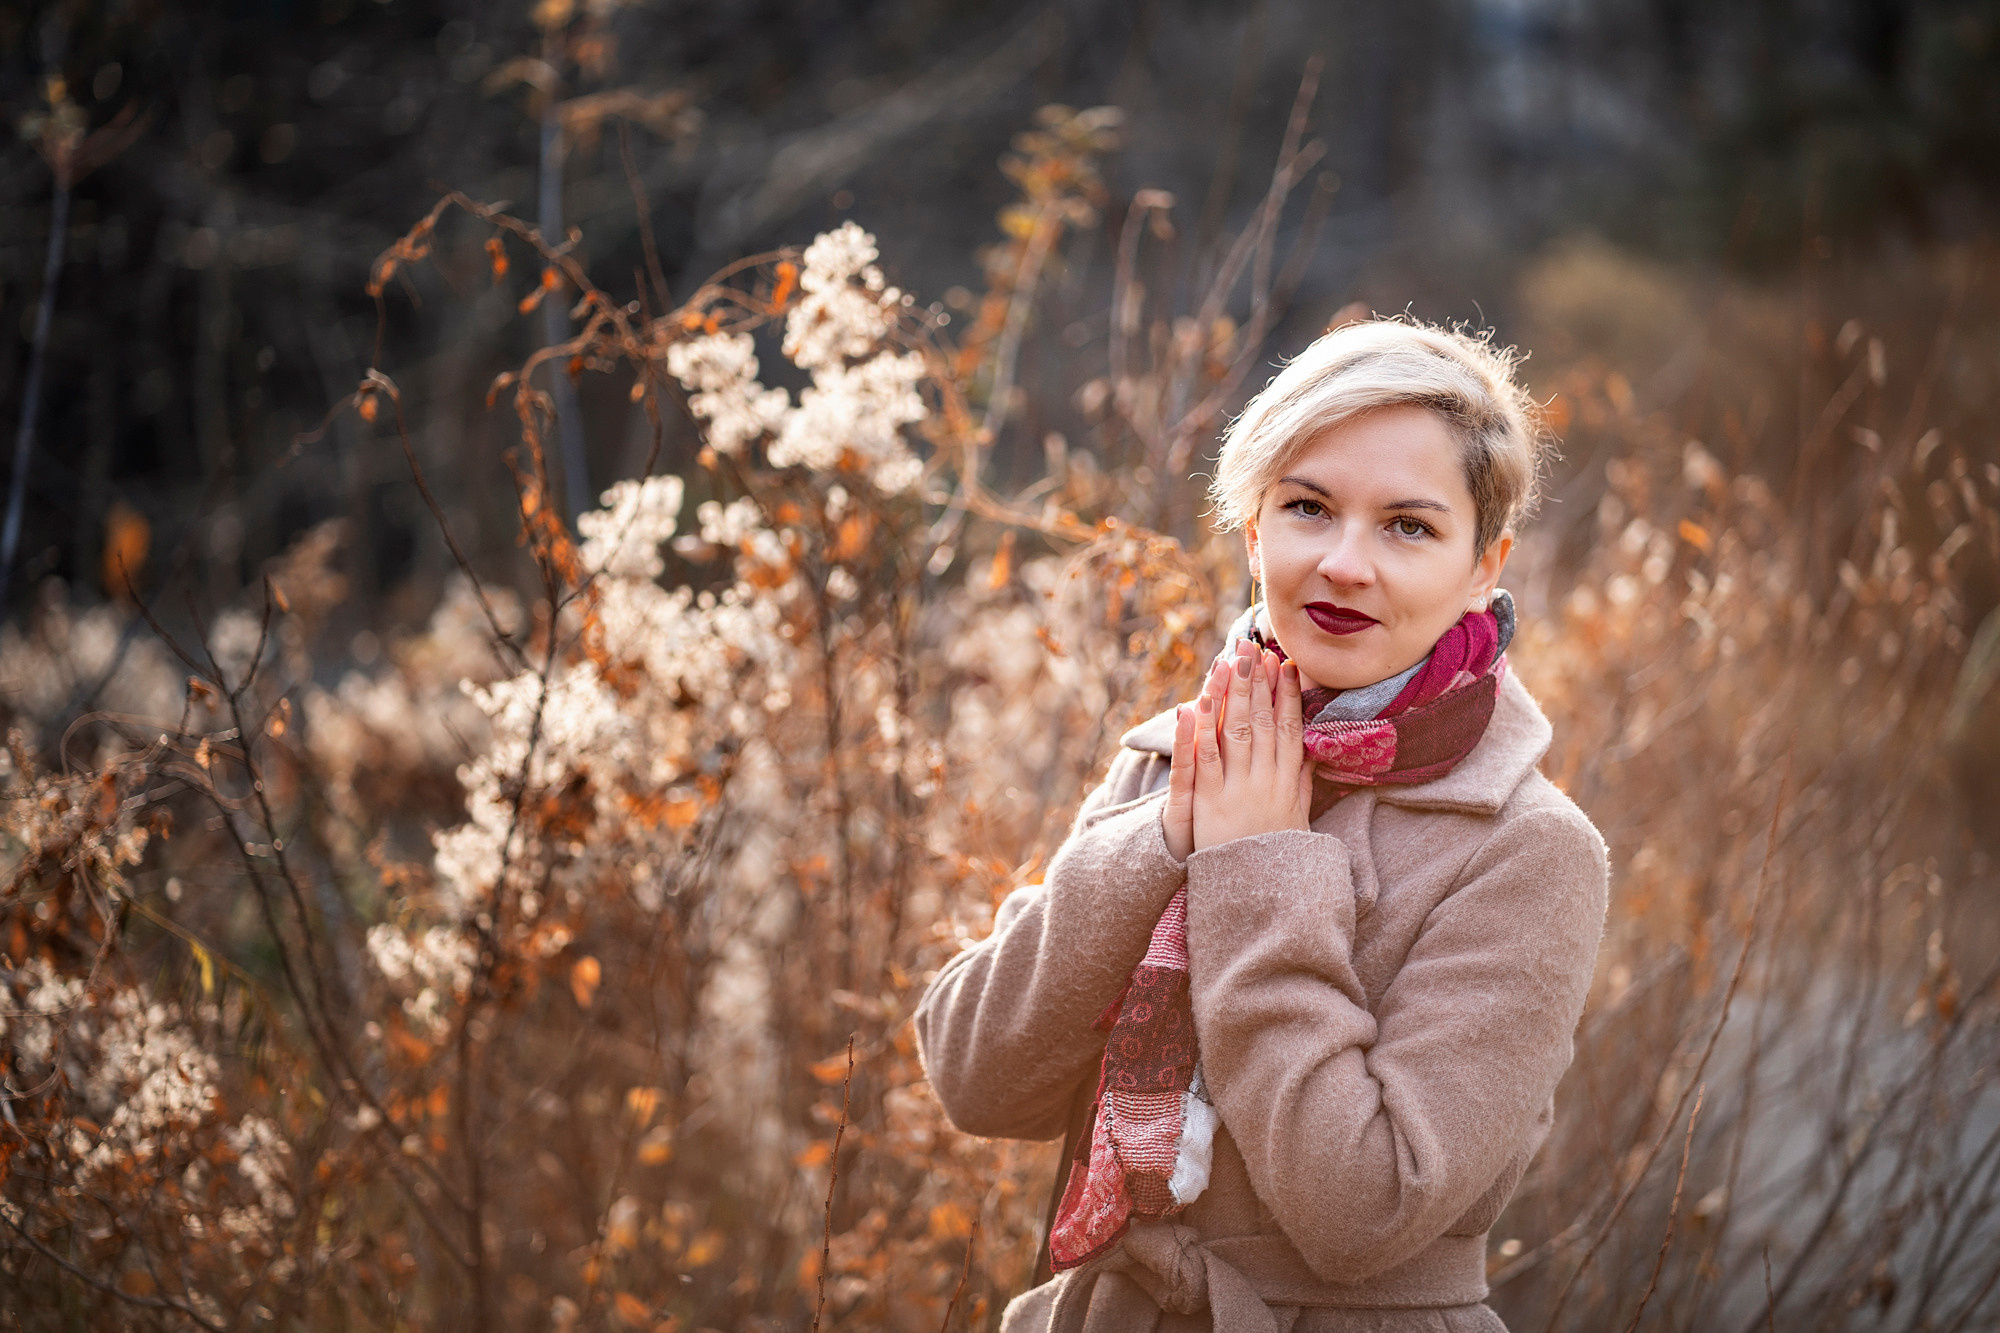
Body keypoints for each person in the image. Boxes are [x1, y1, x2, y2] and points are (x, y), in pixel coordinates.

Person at [912, 317, 1611, 1332]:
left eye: (1408, 527)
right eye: (1307, 508)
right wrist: (1165, 840)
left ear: (1481, 564)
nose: (1344, 563)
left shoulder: (1528, 849)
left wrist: (1255, 868)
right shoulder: (1180, 758)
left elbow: (1364, 1210)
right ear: (1252, 531)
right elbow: (976, 1078)